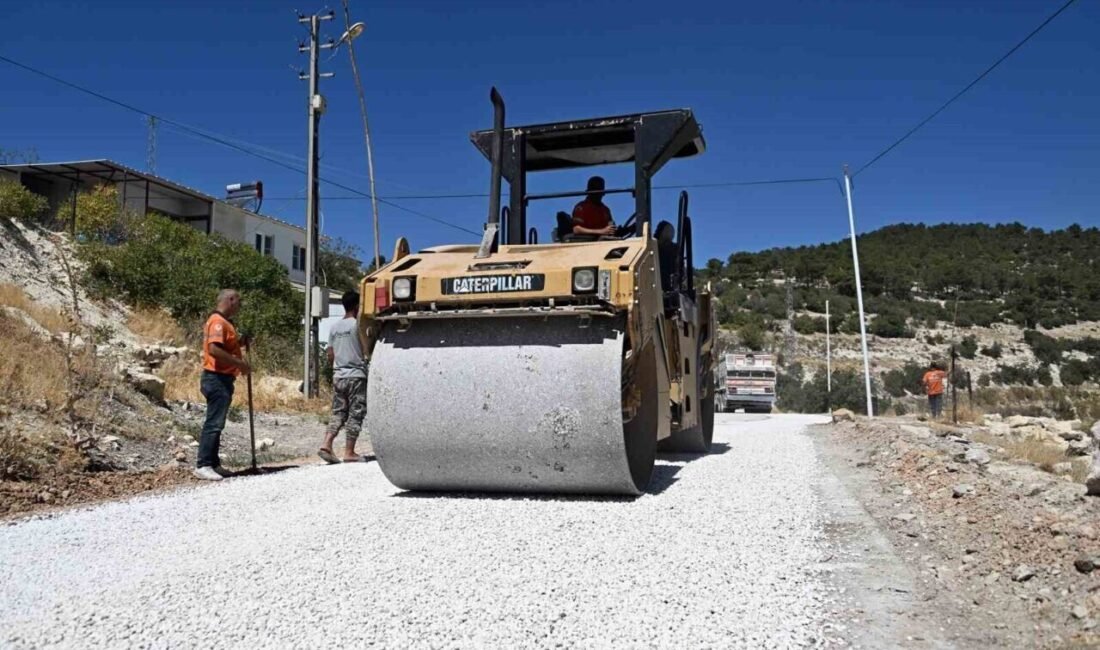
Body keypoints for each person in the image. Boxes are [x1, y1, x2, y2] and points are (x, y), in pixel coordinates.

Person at [196, 289, 250, 481]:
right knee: (214, 422)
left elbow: (226, 347)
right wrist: (240, 364)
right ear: (230, 300)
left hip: (224, 378)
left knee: (218, 422)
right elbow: (214, 349)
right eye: (238, 301)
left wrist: (241, 343)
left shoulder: (226, 323)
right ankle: (204, 464)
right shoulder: (218, 322)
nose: (239, 306)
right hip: (216, 378)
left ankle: (214, 463)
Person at [319, 291, 370, 464]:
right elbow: (366, 349)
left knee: (339, 412)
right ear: (357, 306)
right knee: (356, 413)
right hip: (356, 376)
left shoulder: (334, 327)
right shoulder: (358, 326)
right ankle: (349, 452)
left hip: (339, 376)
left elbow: (330, 354)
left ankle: (326, 443)